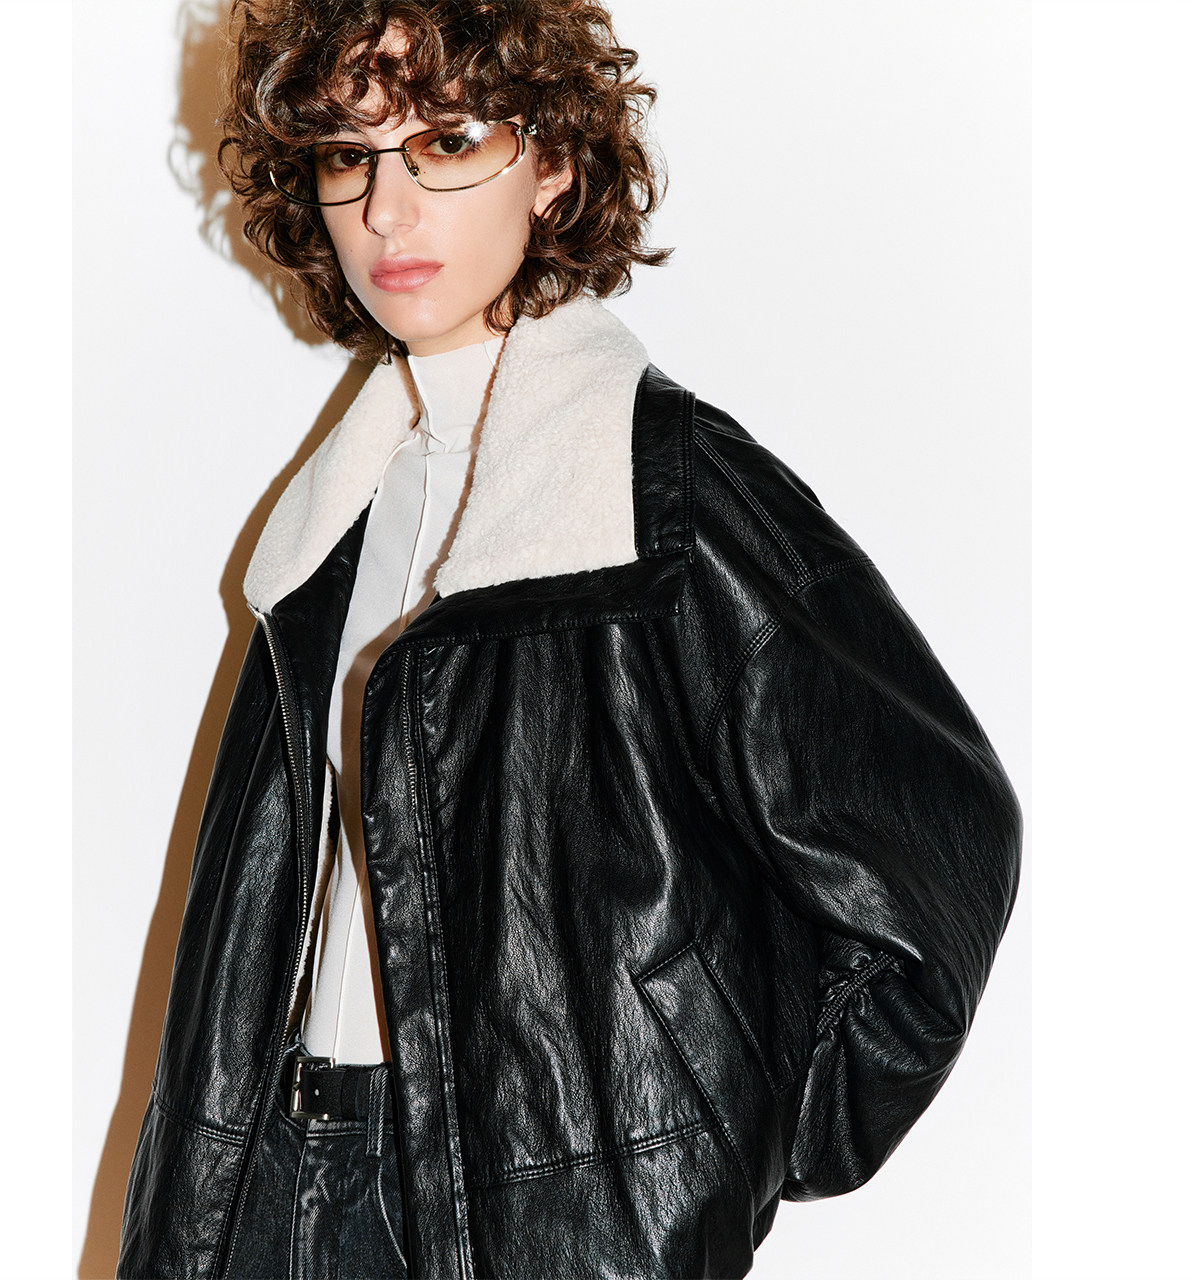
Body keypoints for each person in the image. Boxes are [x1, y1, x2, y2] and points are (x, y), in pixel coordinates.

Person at [118, 1, 1021, 1277]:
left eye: (444, 142)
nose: (386, 210)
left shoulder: (663, 499)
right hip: (282, 1178)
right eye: (346, 154)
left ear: (548, 162)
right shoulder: (333, 523)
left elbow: (936, 843)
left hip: (531, 1224)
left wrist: (704, 1144)